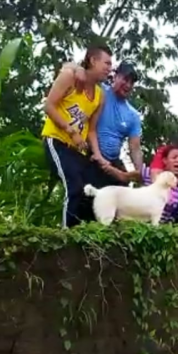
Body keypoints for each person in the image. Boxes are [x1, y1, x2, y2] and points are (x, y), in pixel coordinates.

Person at [42, 44, 112, 228]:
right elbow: (48, 106)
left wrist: (97, 154)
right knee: (73, 186)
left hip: (77, 150)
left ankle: (82, 234)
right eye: (106, 63)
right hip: (56, 140)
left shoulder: (100, 96)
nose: (109, 68)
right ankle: (66, 237)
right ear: (93, 60)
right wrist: (71, 131)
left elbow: (92, 130)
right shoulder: (70, 76)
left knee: (87, 189)